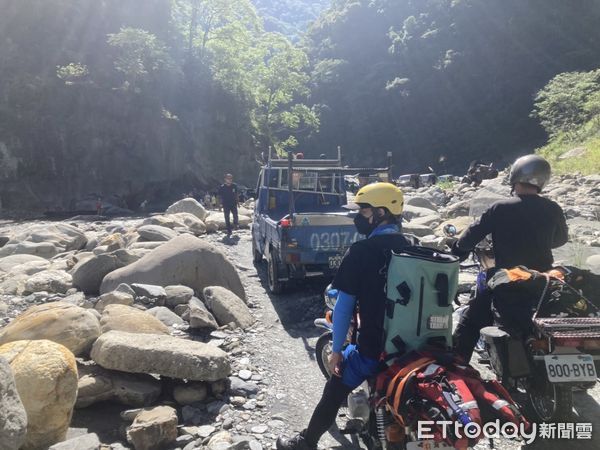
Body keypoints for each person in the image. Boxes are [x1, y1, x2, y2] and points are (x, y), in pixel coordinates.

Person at [276, 183, 410, 450]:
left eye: (363, 210)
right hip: (411, 348)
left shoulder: (361, 252)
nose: (358, 216)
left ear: (381, 213)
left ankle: (305, 442)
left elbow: (343, 308)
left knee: (336, 385)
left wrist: (336, 351)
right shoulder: (411, 247)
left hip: (375, 350)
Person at [451, 154, 568, 362]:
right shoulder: (553, 208)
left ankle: (456, 366)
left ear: (515, 177)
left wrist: (459, 249)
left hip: (508, 278)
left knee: (472, 318)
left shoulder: (500, 208)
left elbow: (473, 234)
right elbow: (560, 240)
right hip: (543, 279)